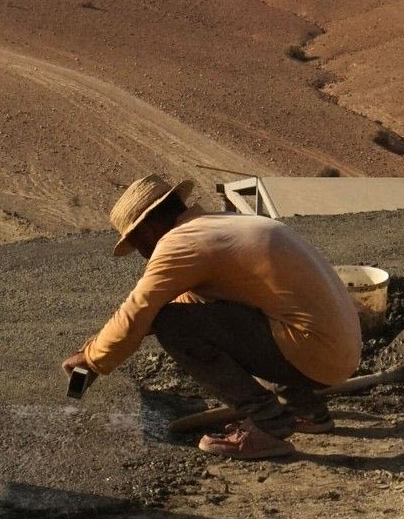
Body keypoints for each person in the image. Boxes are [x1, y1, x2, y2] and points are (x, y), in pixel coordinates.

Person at [62, 174, 361, 461]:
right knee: (200, 311)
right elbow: (178, 306)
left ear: (149, 231)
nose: (143, 255)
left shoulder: (180, 243)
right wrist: (102, 344)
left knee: (173, 325)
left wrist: (90, 361)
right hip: (336, 350)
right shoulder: (219, 226)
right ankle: (307, 409)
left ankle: (270, 423)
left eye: (138, 245)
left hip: (314, 353)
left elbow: (138, 310)